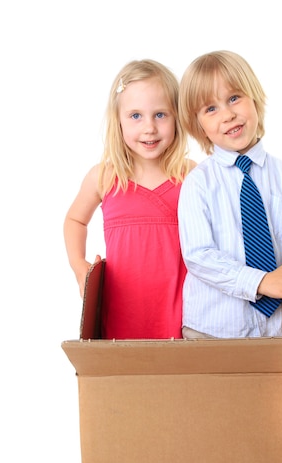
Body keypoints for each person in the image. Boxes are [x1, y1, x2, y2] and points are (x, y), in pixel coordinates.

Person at [177, 50, 282, 340]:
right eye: (211, 109)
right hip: (209, 330)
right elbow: (199, 255)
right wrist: (262, 282)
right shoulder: (198, 183)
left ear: (255, 98)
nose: (228, 114)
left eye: (234, 98)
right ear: (199, 126)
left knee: (267, 388)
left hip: (273, 333)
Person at [64, 59, 196, 339]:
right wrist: (79, 267)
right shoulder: (104, 177)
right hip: (122, 315)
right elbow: (75, 219)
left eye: (160, 114)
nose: (149, 127)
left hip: (184, 315)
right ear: (119, 120)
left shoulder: (192, 175)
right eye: (136, 116)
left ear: (178, 118)